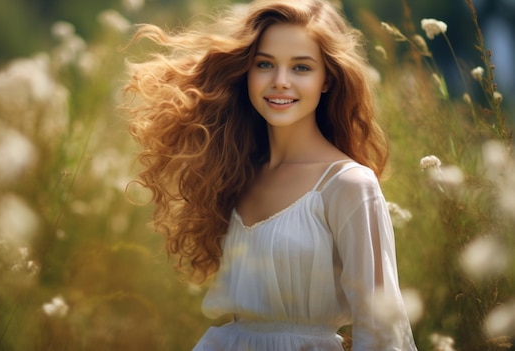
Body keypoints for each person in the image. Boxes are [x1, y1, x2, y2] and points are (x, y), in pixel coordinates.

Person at [123, 0, 418, 350]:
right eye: (265, 64)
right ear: (246, 71)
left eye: (301, 68)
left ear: (327, 79)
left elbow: (381, 329)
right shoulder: (235, 172)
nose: (280, 82)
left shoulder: (349, 185)